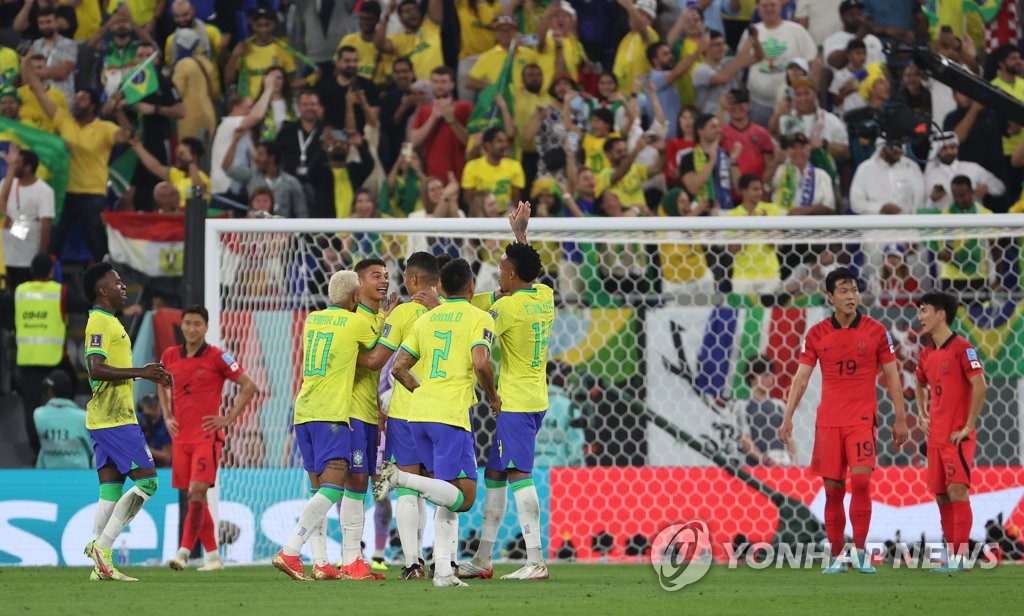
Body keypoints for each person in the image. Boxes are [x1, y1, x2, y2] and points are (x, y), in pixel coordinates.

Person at [375, 258, 501, 588]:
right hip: (450, 416)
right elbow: (480, 362)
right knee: (465, 497)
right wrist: (493, 395)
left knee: (447, 492)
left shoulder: (425, 319)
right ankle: (401, 477)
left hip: (418, 414)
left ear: (441, 287)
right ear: (472, 287)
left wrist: (423, 390)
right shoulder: (480, 316)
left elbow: (397, 367)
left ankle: (443, 570)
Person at [779, 267, 908, 574]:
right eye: (844, 291)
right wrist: (788, 419)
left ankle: (860, 552)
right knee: (834, 490)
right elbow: (801, 379)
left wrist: (901, 418)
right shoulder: (816, 334)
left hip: (862, 419)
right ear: (830, 297)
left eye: (854, 290)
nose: (851, 296)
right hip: (829, 422)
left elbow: (892, 377)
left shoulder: (877, 331)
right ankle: (838, 556)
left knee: (861, 482)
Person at [461, 202, 554, 581]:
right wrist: (520, 237)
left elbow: (482, 348)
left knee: (519, 476)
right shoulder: (544, 295)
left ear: (511, 274)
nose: (497, 271)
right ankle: (483, 558)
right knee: (496, 474)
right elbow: (529, 272)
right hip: (537, 398)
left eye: (501, 268)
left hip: (513, 402)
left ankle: (536, 560)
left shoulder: (507, 309)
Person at [273, 271, 380, 581]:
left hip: (303, 412)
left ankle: (321, 563)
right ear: (356, 298)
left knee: (317, 491)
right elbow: (375, 353)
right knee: (333, 490)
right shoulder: (356, 321)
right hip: (332, 416)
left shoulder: (314, 319)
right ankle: (291, 551)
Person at [82, 262, 174, 582]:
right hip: (114, 419)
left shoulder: (109, 321)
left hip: (107, 418)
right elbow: (95, 368)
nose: (123, 287)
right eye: (117, 282)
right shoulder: (99, 323)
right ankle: (103, 548)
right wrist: (141, 373)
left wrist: (147, 372)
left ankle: (100, 568)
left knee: (109, 492)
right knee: (148, 482)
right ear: (102, 290)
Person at [160, 305, 257, 572]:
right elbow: (160, 381)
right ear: (182, 326)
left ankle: (183, 553)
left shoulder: (218, 357)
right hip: (181, 439)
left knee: (197, 492)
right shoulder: (169, 355)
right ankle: (213, 557)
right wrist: (167, 414)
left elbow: (249, 386)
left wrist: (227, 419)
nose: (192, 329)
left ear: (206, 327)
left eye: (197, 324)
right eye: (188, 323)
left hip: (207, 437)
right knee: (196, 498)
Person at [22, 55, 129, 261]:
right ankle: (46, 278)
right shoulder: (65, 120)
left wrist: (118, 111)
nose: (76, 101)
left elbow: (126, 135)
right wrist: (26, 64)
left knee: (98, 245)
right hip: (66, 193)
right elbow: (39, 93)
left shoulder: (104, 128)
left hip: (93, 195)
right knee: (54, 242)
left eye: (82, 99)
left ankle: (107, 282)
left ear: (93, 105)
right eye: (76, 98)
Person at [914, 291, 987, 572]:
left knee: (958, 491)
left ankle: (960, 557)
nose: (920, 316)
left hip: (958, 435)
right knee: (942, 495)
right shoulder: (925, 353)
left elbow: (980, 385)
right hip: (936, 436)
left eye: (924, 310)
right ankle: (953, 554)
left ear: (941, 314)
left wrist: (969, 425)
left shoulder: (963, 348)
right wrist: (921, 413)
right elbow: (919, 383)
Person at [337, 259, 390, 581]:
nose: (383, 280)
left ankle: (352, 560)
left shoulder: (383, 318)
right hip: (351, 412)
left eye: (385, 275)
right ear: (359, 284)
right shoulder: (351, 320)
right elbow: (366, 362)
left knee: (365, 485)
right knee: (354, 483)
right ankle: (350, 559)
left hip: (371, 414)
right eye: (375, 276)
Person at [12, 253, 65, 456]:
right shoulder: (60, 291)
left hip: (28, 359)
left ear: (31, 271)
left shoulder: (19, 292)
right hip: (55, 361)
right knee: (61, 404)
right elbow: (84, 306)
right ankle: (59, 449)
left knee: (31, 409)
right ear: (51, 272)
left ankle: (37, 451)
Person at [1, 146, 53, 289]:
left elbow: (45, 225)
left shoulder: (44, 191)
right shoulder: (6, 183)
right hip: (5, 257)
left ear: (28, 167)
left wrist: (41, 256)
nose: (13, 166)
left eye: (17, 163)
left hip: (28, 258)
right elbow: (1, 205)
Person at [34, 369, 91, 469]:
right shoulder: (83, 417)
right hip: (79, 478)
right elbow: (92, 451)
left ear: (50, 391)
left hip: (46, 477)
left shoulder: (39, 414)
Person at [462, 127, 526, 213]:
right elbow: (468, 198)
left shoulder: (515, 166)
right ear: (488, 145)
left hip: (506, 215)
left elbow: (516, 198)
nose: (505, 145)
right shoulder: (472, 166)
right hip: (480, 215)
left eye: (505, 141)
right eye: (499, 141)